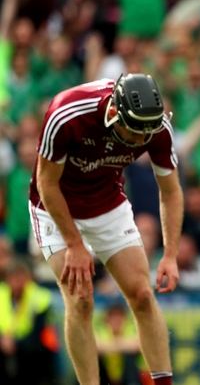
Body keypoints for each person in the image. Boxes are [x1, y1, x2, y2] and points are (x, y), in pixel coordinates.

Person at [29, 74, 182, 385]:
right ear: (114, 113)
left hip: (107, 204)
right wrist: (74, 244)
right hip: (57, 207)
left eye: (146, 134)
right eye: (134, 133)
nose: (141, 141)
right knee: (81, 299)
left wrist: (170, 254)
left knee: (141, 294)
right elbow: (46, 183)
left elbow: (171, 191)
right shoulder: (67, 114)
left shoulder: (155, 127)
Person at [0, 258, 59, 385]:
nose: (19, 282)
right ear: (7, 279)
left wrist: (15, 343)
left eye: (22, 277)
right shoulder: (2, 294)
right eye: (14, 277)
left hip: (32, 348)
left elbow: (38, 332)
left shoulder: (40, 297)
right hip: (5, 344)